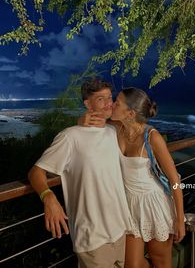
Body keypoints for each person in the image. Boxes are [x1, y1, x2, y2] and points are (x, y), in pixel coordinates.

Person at [28, 79, 132, 268]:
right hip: (93, 239)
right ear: (87, 104)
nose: (109, 103)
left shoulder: (112, 131)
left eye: (110, 97)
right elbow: (36, 172)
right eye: (101, 99)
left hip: (122, 230)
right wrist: (48, 197)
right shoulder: (70, 137)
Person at [82, 87, 185, 268]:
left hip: (154, 205)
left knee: (160, 261)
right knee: (132, 265)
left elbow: (174, 180)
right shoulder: (116, 128)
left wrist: (179, 219)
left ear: (130, 113)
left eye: (117, 102)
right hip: (129, 207)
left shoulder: (152, 137)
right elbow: (88, 121)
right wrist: (81, 119)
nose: (112, 104)